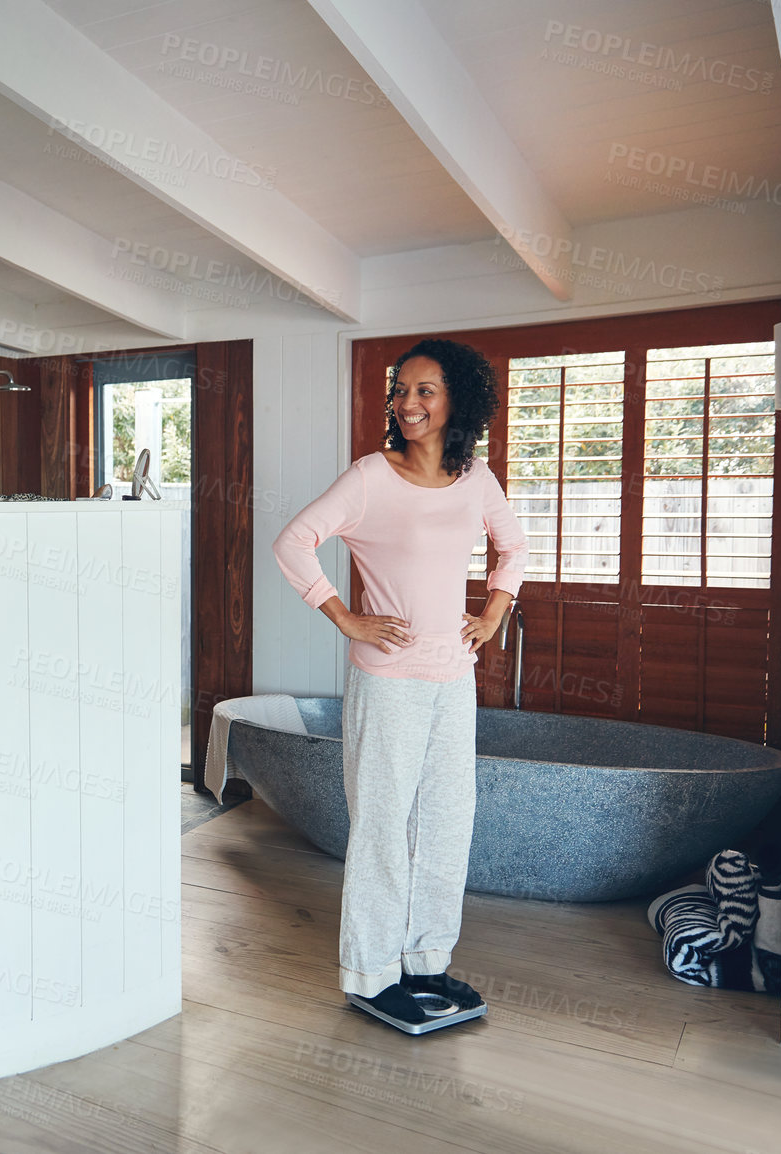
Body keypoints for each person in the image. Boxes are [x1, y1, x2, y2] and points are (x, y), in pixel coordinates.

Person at [272, 338, 528, 1030]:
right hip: (387, 681)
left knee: (448, 822)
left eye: (424, 391)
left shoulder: (475, 478)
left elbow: (515, 547)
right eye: (400, 390)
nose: (406, 404)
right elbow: (293, 541)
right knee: (383, 826)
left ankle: (426, 960)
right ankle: (370, 970)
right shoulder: (369, 477)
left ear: (457, 403)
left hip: (454, 677)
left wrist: (494, 613)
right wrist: (346, 618)